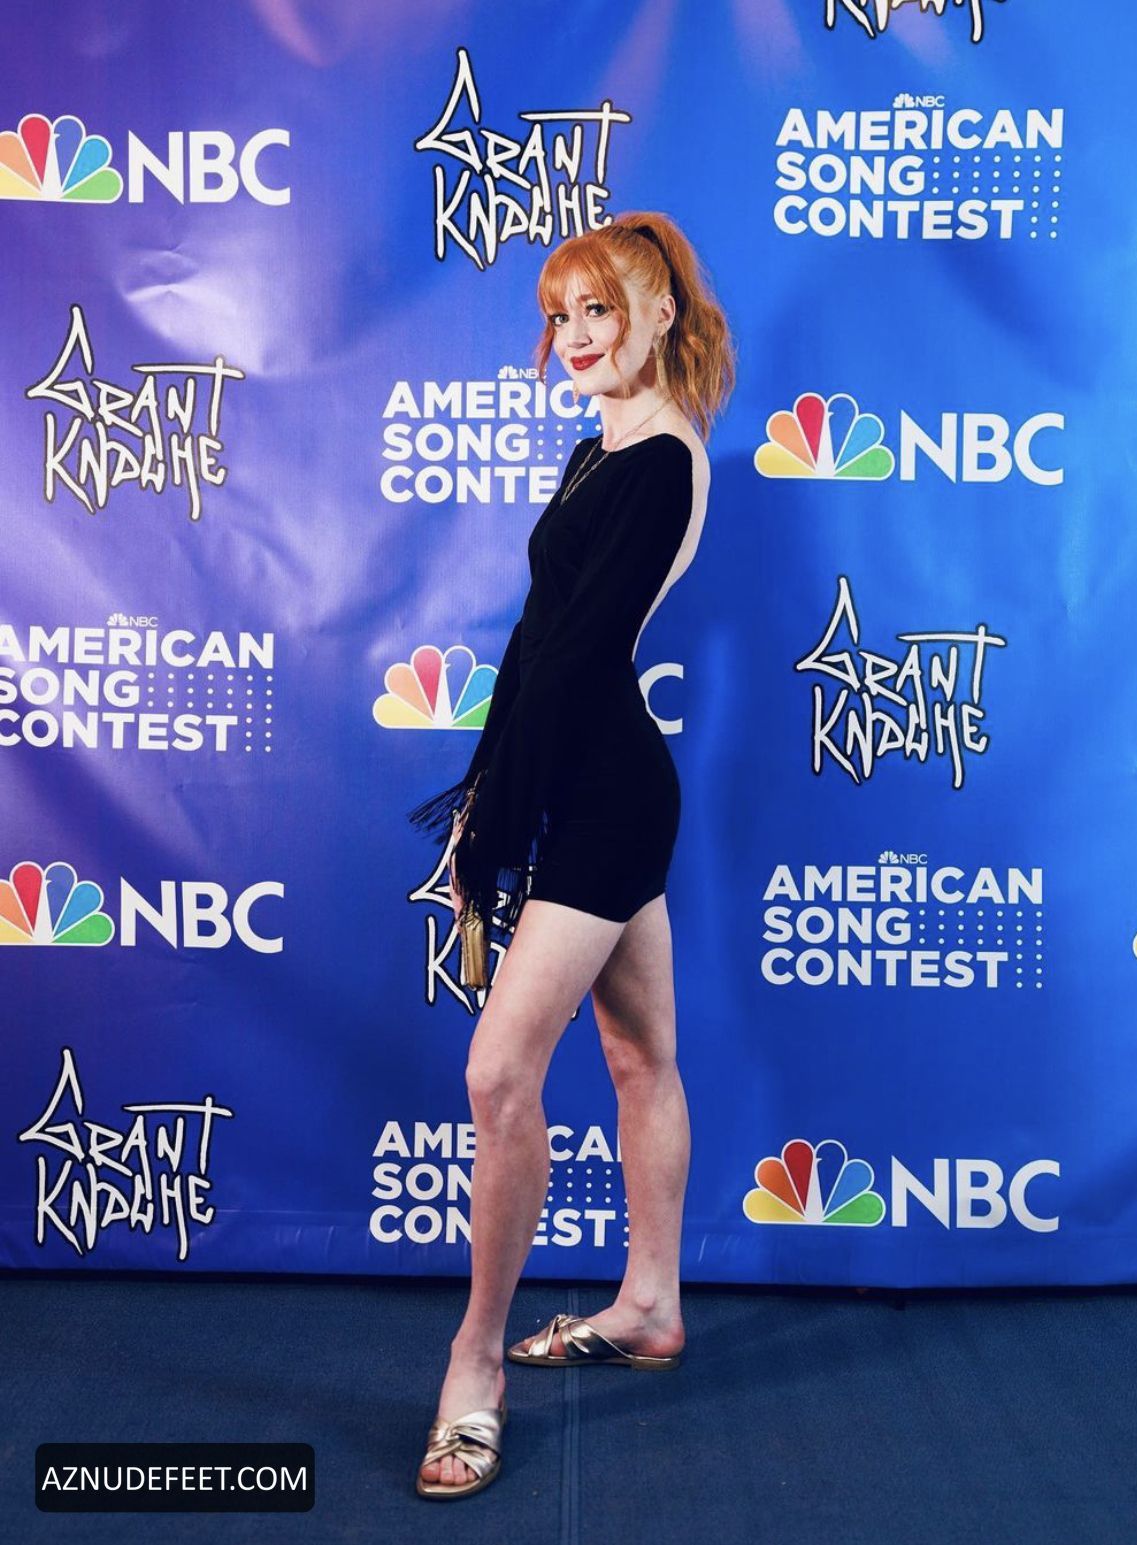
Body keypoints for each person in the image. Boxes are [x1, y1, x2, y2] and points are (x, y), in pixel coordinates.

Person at [408, 210, 735, 1500]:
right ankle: (650, 1304)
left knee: (499, 1075)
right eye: (562, 315)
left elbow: (584, 653)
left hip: (601, 802)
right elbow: (534, 638)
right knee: (641, 1057)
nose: (578, 335)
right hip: (581, 781)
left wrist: (499, 834)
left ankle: (473, 1366)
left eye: (600, 310)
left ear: (659, 314)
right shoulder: (598, 452)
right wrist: (483, 793)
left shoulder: (658, 463)